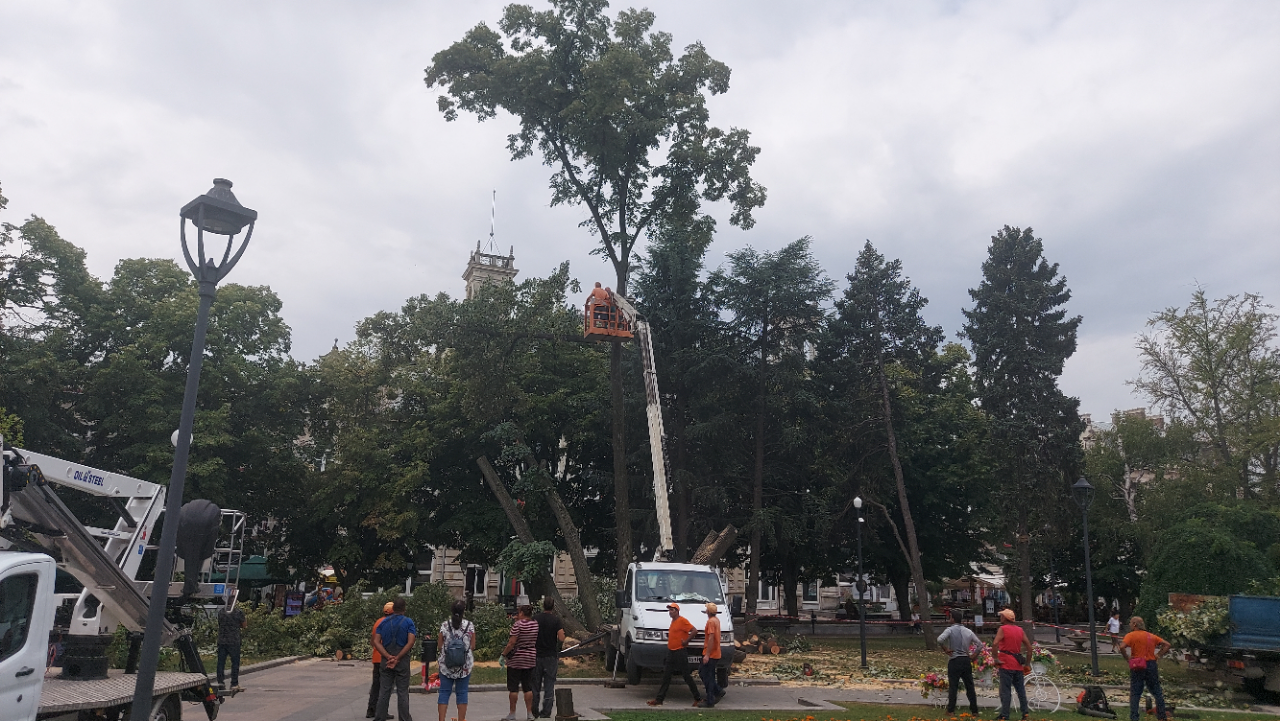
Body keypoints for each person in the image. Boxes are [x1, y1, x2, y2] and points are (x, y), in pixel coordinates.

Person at [647, 603, 703, 707]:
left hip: (680, 652)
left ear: (677, 611)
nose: (670, 612)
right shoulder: (673, 621)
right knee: (666, 676)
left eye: (672, 610)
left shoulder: (682, 621)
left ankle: (698, 698)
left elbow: (694, 631)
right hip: (671, 652)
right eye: (669, 610)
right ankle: (659, 699)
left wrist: (686, 641)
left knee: (686, 676)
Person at [373, 597, 418, 721]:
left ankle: (379, 717)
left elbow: (376, 641)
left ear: (393, 609)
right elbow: (411, 641)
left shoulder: (383, 623)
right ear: (404, 608)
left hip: (385, 659)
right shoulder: (408, 622)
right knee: (402, 691)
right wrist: (398, 657)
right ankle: (404, 718)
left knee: (384, 690)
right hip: (402, 660)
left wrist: (388, 656)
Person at [1120, 616, 1171, 721]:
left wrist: (1127, 658)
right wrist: (1158, 655)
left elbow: (1122, 647)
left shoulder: (1131, 635)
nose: (1129, 625)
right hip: (1151, 664)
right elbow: (1167, 645)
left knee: (1135, 693)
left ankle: (1134, 717)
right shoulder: (1151, 636)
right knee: (1157, 691)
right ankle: (1162, 717)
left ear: (1134, 624)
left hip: (1138, 665)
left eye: (1130, 623)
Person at [937, 609, 984, 717]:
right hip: (966, 660)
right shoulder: (968, 631)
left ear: (953, 619)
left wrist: (945, 649)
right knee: (970, 686)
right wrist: (974, 655)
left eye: (950, 617)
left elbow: (940, 639)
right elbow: (980, 644)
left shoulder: (950, 630)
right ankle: (974, 711)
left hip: (954, 660)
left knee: (954, 686)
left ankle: (951, 710)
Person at [438, 600, 476, 721]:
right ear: (464, 611)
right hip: (464, 665)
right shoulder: (469, 625)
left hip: (446, 665)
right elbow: (473, 646)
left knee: (444, 692)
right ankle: (461, 719)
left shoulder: (445, 625)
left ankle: (441, 719)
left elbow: (440, 645)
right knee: (462, 693)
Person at [993, 608, 1032, 721]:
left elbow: (995, 643)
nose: (1000, 617)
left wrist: (996, 658)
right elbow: (1029, 648)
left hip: (1005, 663)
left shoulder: (1003, 629)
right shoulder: (1020, 630)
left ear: (1005, 618)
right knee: (1021, 691)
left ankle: (1005, 715)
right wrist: (1027, 664)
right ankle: (1025, 714)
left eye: (1001, 616)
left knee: (1005, 691)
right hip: (1018, 665)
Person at [502, 604, 539, 721]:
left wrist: (504, 654)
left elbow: (511, 643)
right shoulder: (535, 624)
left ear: (522, 613)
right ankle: (529, 713)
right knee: (527, 687)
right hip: (530, 657)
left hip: (517, 659)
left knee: (513, 688)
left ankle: (512, 714)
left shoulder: (517, 625)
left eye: (519, 612)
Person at [531, 597, 565, 718]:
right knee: (549, 684)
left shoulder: (535, 619)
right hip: (550, 655)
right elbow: (561, 637)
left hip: (536, 655)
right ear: (553, 607)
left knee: (535, 684)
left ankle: (534, 710)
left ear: (543, 606)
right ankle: (546, 712)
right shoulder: (556, 620)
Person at [366, 602, 395, 719]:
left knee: (376, 685)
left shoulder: (378, 622)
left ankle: (371, 710)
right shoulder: (392, 624)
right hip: (386, 658)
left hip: (376, 658)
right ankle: (382, 712)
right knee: (385, 687)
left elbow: (373, 641)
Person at [216, 586, 247, 691]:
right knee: (235, 663)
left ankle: (220, 682)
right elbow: (244, 625)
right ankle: (234, 684)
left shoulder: (221, 612)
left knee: (221, 662)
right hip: (234, 640)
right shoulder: (238, 612)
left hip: (222, 640)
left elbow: (219, 623)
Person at [696, 603, 724, 708]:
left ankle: (710, 699)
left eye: (706, 609)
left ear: (708, 611)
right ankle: (717, 692)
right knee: (707, 674)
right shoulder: (716, 620)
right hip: (716, 652)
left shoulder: (711, 622)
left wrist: (707, 655)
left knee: (706, 675)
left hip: (711, 654)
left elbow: (711, 638)